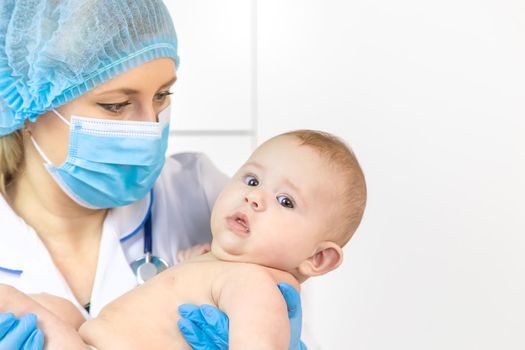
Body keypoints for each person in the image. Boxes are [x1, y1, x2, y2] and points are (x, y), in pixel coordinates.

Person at [0, 1, 304, 349]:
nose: (150, 126)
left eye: (162, 96)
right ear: (26, 107)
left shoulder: (210, 199)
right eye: (115, 104)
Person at [0, 130, 367, 349]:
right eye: (252, 180)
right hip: (89, 336)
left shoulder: (256, 286)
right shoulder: (221, 267)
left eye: (285, 201)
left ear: (317, 260)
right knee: (52, 307)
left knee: (8, 299)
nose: (255, 197)